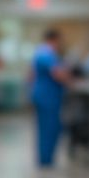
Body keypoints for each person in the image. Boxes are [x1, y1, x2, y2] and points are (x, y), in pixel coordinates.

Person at [30, 28, 73, 166]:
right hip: (47, 98)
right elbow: (58, 74)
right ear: (54, 40)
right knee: (49, 129)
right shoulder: (46, 54)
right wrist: (70, 80)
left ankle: (45, 158)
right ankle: (46, 160)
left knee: (47, 128)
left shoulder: (42, 53)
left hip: (45, 96)